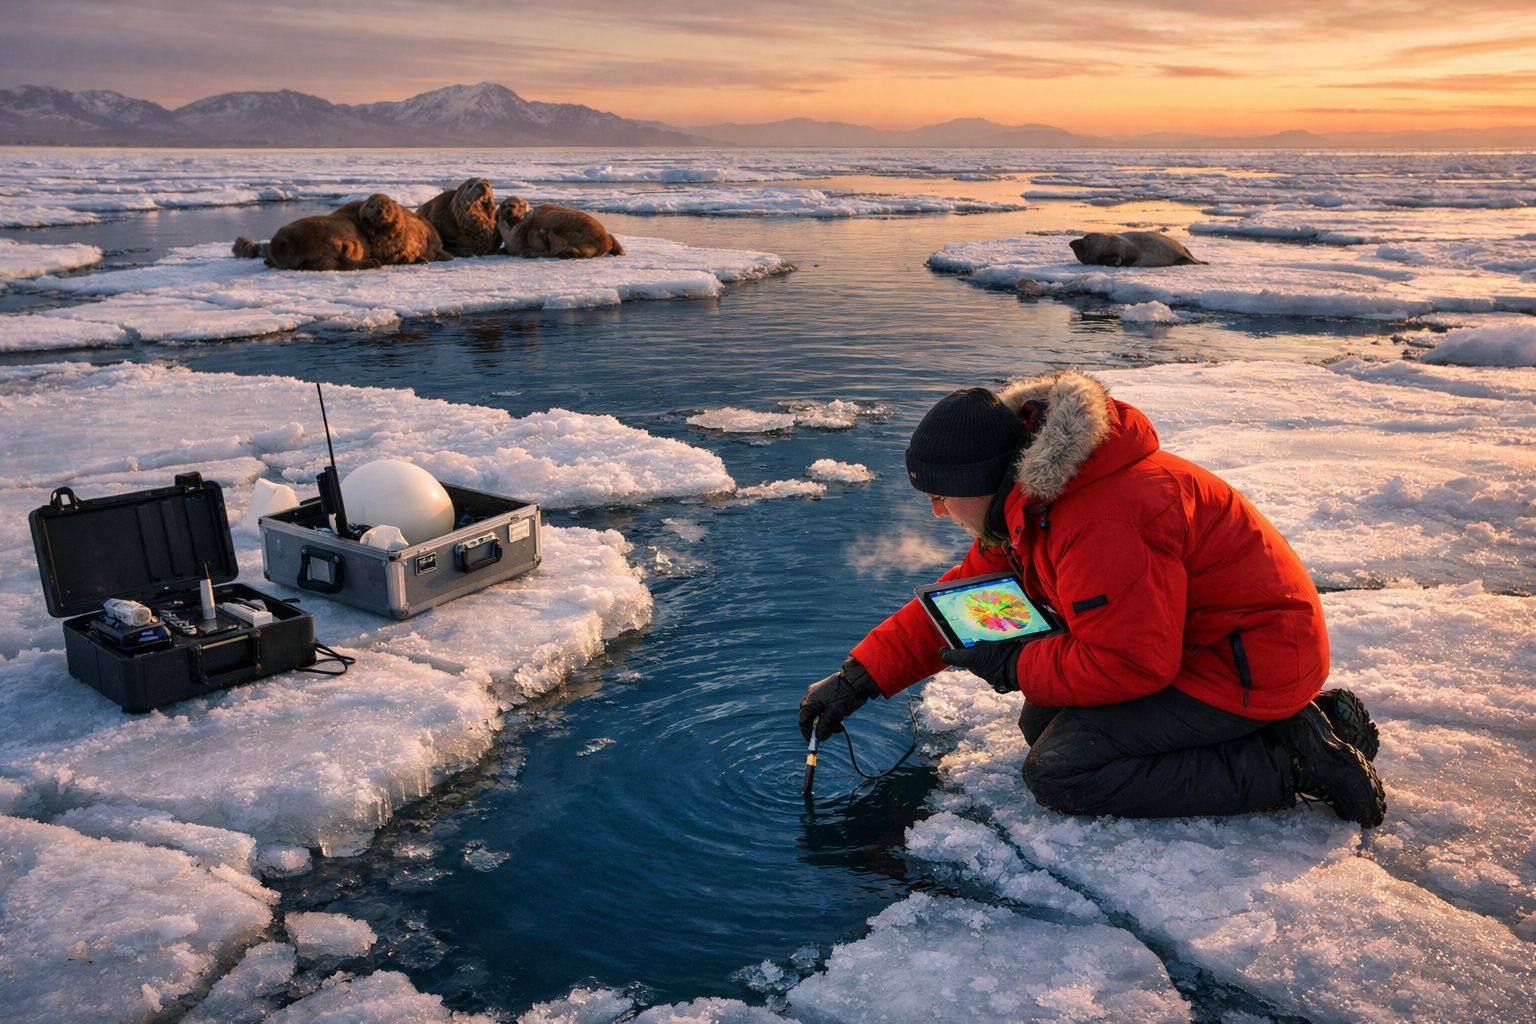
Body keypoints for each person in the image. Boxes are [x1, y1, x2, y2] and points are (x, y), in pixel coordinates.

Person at [798, 371, 1385, 827]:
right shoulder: (1032, 504)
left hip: (1251, 662)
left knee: (1064, 772)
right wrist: (857, 680)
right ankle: (1303, 726)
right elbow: (966, 601)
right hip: (1204, 647)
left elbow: (1131, 664)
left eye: (941, 496)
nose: (936, 511)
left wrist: (1015, 663)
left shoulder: (1103, 517)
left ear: (986, 480)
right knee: (1045, 719)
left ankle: (1300, 765)